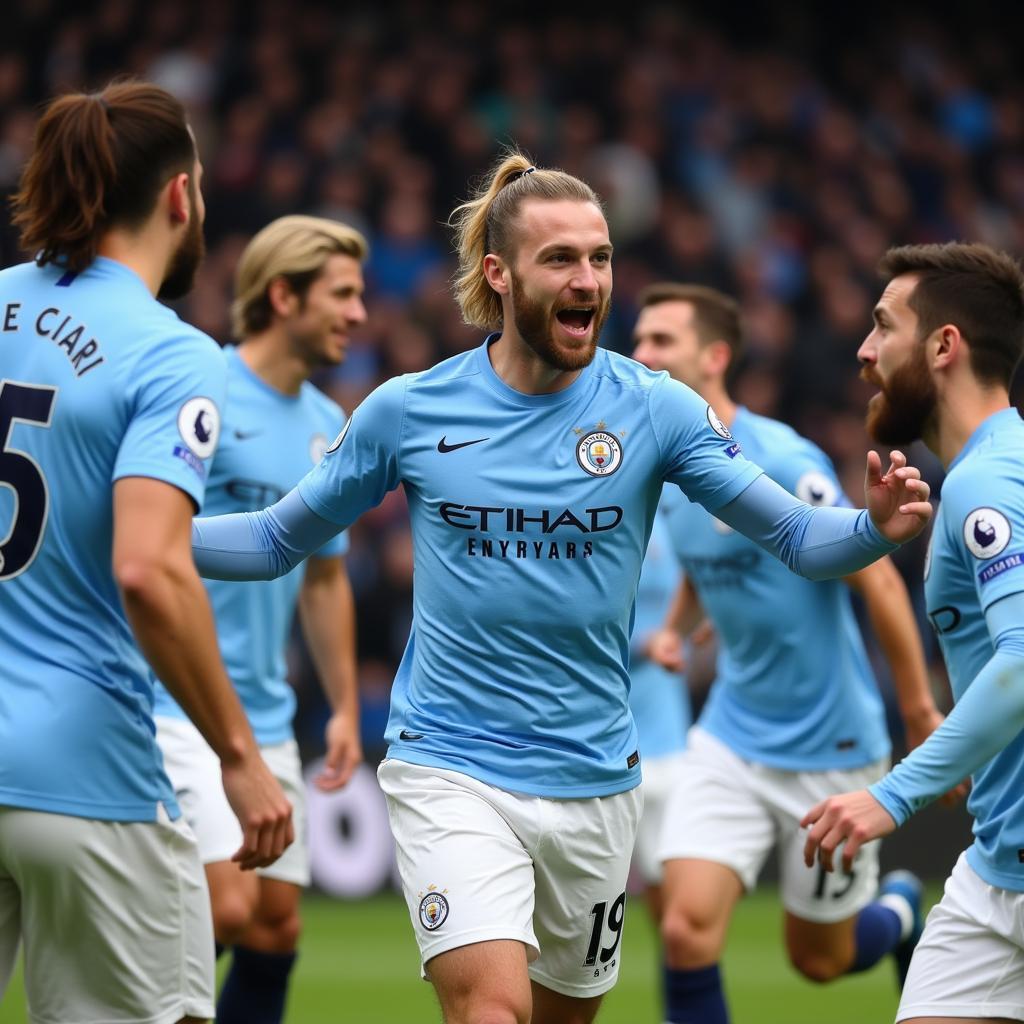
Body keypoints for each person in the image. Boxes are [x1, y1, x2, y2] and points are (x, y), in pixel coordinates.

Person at [186, 152, 932, 1024]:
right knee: (492, 1013)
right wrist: (144, 533)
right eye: (562, 260)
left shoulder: (655, 409)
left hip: (593, 780)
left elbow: (802, 539)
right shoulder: (409, 410)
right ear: (499, 276)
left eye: (602, 257)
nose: (589, 280)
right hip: (449, 765)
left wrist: (875, 528)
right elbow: (276, 539)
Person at [0, 82, 292, 1024]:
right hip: (81, 773)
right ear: (180, 196)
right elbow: (150, 567)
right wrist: (238, 757)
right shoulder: (172, 355)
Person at [631, 282, 949, 1024]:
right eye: (638, 340)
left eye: (660, 342)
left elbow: (875, 579)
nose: (640, 354)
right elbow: (703, 557)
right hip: (732, 737)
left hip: (830, 748)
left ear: (714, 357)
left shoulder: (779, 455)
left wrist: (918, 709)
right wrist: (680, 621)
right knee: (682, 929)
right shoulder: (666, 470)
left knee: (819, 962)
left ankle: (899, 909)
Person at [152, 215, 367, 1024]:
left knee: (276, 924)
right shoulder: (196, 383)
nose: (358, 314)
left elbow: (324, 578)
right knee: (226, 908)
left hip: (269, 715)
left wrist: (344, 705)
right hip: (174, 703)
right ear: (283, 295)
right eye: (341, 295)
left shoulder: (326, 427)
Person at [802, 242, 1024, 1024]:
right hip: (998, 873)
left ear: (943, 346)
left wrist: (891, 796)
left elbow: (1023, 664)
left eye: (882, 326)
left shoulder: (988, 482)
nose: (864, 352)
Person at [626, 501, 692, 925]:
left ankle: (681, 982)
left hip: (667, 739)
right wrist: (642, 644)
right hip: (604, 742)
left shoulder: (674, 529)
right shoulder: (591, 530)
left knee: (670, 892)